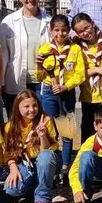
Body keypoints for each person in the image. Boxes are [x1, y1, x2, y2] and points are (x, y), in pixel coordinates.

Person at [35, 14, 86, 176]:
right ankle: (52, 165)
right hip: (49, 92)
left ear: (69, 31)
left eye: (64, 30)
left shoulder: (75, 49)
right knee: (50, 130)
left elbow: (80, 74)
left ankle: (65, 165)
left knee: (66, 131)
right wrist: (38, 65)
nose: (60, 34)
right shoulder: (44, 49)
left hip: (66, 93)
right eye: (56, 30)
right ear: (51, 31)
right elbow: (38, 77)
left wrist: (66, 86)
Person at [0, 89, 62, 203]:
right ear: (18, 107)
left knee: (45, 158)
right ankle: (35, 185)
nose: (31, 109)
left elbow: (48, 151)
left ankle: (43, 197)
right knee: (12, 189)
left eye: (34, 105)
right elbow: (9, 153)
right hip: (25, 162)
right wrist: (13, 169)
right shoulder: (10, 126)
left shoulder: (45, 120)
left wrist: (43, 135)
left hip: (47, 159)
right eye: (26, 106)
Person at [0, 0, 51, 115]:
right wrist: (1, 81)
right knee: (16, 122)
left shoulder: (50, 22)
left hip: (42, 81)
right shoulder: (8, 22)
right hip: (15, 80)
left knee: (42, 121)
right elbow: (2, 54)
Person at [72, 12, 102, 140]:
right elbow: (77, 73)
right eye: (80, 31)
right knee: (89, 130)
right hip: (89, 97)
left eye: (87, 28)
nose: (85, 33)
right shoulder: (77, 47)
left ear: (92, 24)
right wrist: (97, 70)